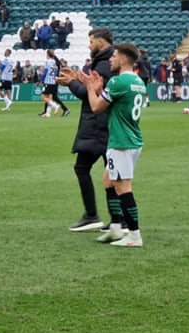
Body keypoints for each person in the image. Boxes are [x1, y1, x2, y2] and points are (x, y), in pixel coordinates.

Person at [55, 28, 126, 233]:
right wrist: (78, 77)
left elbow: (92, 94)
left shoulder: (104, 64)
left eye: (91, 41)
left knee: (87, 169)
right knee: (111, 172)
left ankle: (94, 215)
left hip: (98, 124)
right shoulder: (107, 61)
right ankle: (116, 219)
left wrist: (71, 83)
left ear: (100, 43)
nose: (89, 45)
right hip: (104, 125)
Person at [78, 43, 146, 247]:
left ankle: (134, 235)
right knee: (108, 180)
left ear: (124, 59)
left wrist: (91, 89)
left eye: (114, 56)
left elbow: (97, 108)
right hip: (133, 138)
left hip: (121, 142)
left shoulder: (118, 81)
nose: (110, 59)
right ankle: (116, 228)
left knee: (123, 187)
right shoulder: (138, 81)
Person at [39, 49, 69, 117]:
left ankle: (56, 107)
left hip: (49, 81)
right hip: (54, 80)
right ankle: (47, 112)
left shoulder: (48, 62)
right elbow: (56, 72)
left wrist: (41, 80)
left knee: (45, 97)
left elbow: (45, 72)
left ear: (47, 54)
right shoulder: (55, 62)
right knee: (51, 97)